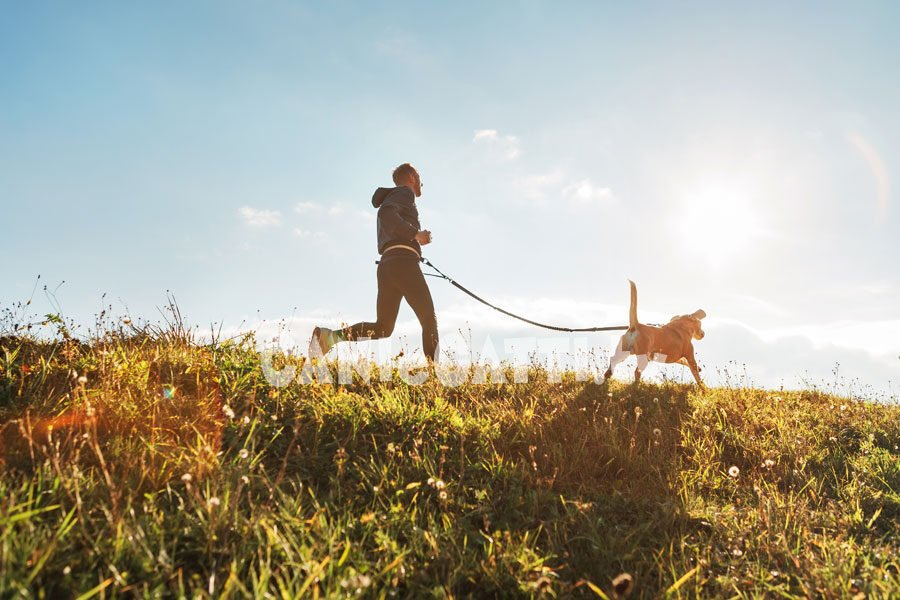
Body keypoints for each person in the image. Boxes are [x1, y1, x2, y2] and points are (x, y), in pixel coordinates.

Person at [308, 163, 439, 362]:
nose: (422, 183)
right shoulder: (405, 193)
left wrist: (415, 239)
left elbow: (388, 216)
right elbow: (386, 214)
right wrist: (416, 234)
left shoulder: (395, 196)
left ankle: (328, 337)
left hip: (388, 265)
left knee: (384, 328)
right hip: (403, 264)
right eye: (419, 177)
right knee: (429, 319)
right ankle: (434, 377)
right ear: (411, 177)